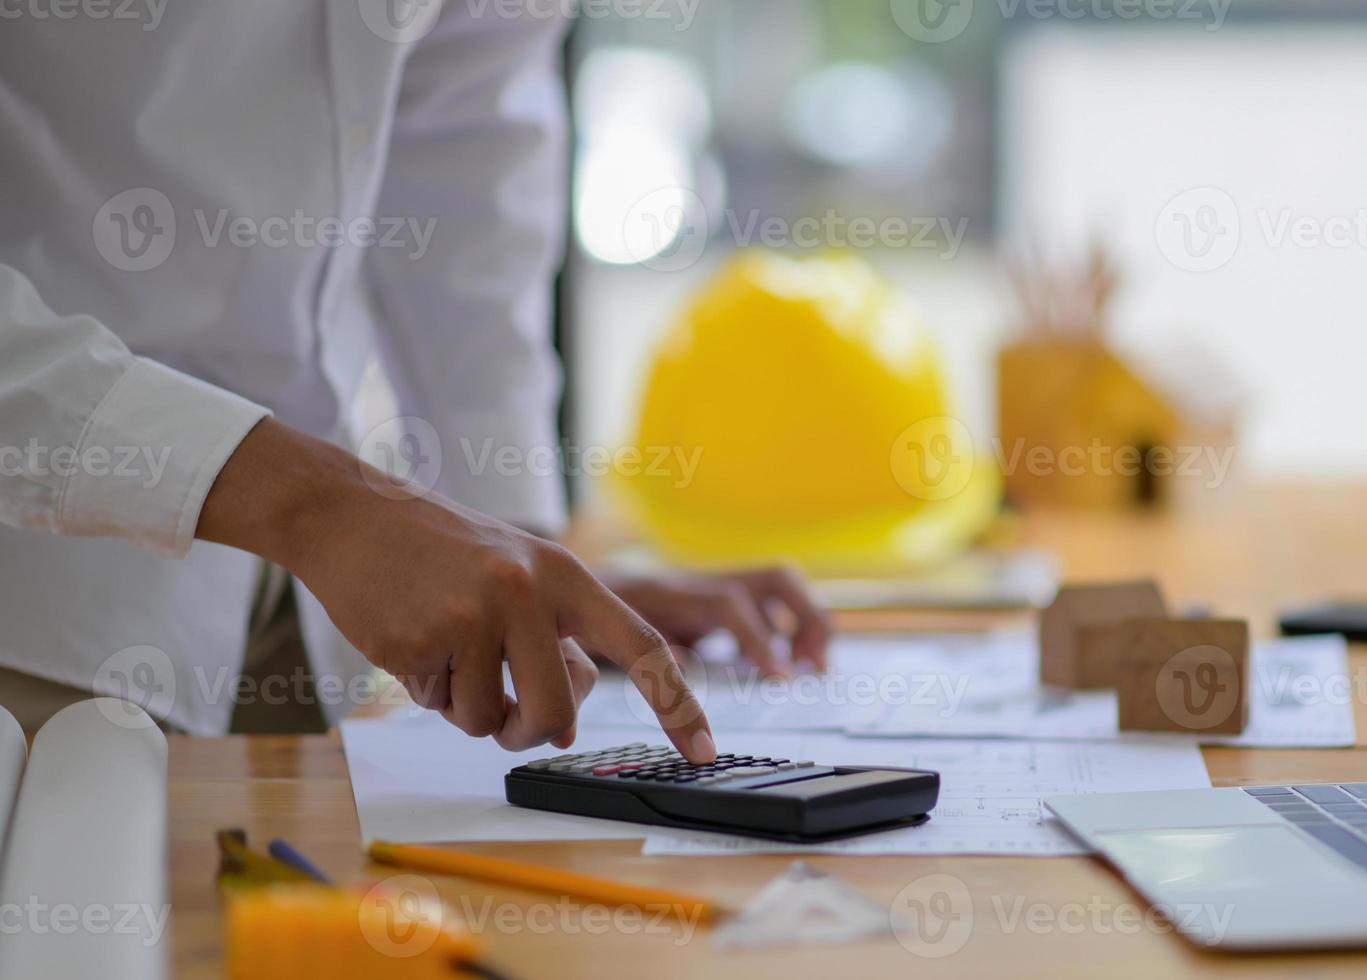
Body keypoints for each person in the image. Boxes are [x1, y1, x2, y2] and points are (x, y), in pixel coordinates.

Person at [0, 7, 828, 761]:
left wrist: (526, 572)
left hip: (302, 613)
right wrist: (317, 507)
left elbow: (465, 134)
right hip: (41, 605)